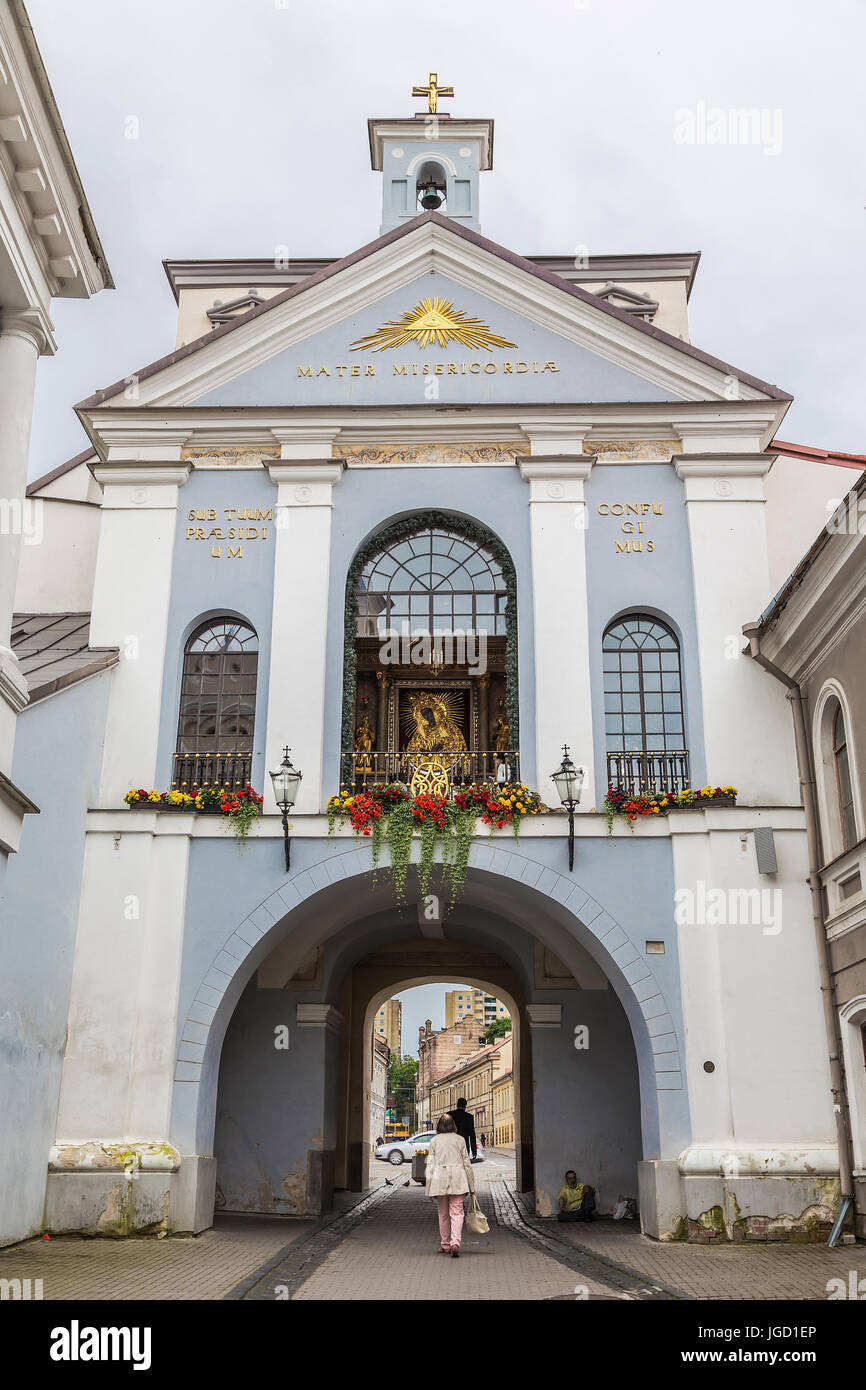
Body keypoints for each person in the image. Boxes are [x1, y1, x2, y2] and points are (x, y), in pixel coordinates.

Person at [425, 1113, 476, 1256]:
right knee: (457, 1212)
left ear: (439, 1126)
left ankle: (445, 1245)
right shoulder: (460, 1140)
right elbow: (467, 1164)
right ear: (453, 1125)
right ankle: (455, 1243)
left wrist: (428, 1189)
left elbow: (430, 1164)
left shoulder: (434, 1141)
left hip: (439, 1179)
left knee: (443, 1214)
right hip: (458, 1179)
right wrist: (472, 1187)